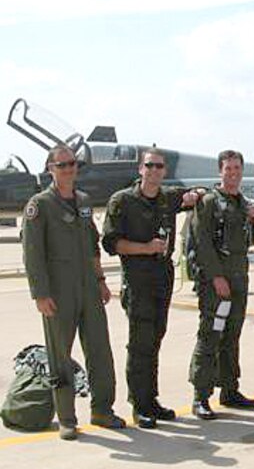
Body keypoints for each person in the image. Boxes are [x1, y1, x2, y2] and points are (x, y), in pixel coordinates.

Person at [21, 145, 126, 440]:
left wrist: (101, 280)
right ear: (51, 168)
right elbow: (32, 254)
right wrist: (40, 294)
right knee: (60, 356)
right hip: (58, 292)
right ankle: (67, 418)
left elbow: (92, 245)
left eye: (73, 163)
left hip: (89, 290)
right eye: (62, 164)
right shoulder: (39, 205)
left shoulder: (82, 201)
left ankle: (103, 410)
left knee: (100, 351)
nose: (69, 168)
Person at [102, 148, 202, 428]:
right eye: (150, 165)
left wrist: (195, 195)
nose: (155, 170)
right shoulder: (122, 201)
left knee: (156, 338)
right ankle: (139, 404)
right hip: (138, 279)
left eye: (159, 166)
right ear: (140, 169)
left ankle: (152, 400)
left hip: (162, 277)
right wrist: (145, 248)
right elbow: (111, 244)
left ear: (165, 171)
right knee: (139, 343)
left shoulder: (167, 198)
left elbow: (190, 196)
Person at [188, 150, 254, 419]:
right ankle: (200, 395)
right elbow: (202, 243)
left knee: (232, 336)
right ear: (220, 171)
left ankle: (230, 390)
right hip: (216, 283)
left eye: (237, 168)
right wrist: (216, 277)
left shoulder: (244, 203)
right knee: (210, 335)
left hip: (239, 279)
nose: (233, 173)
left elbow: (251, 241)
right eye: (228, 169)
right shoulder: (208, 202)